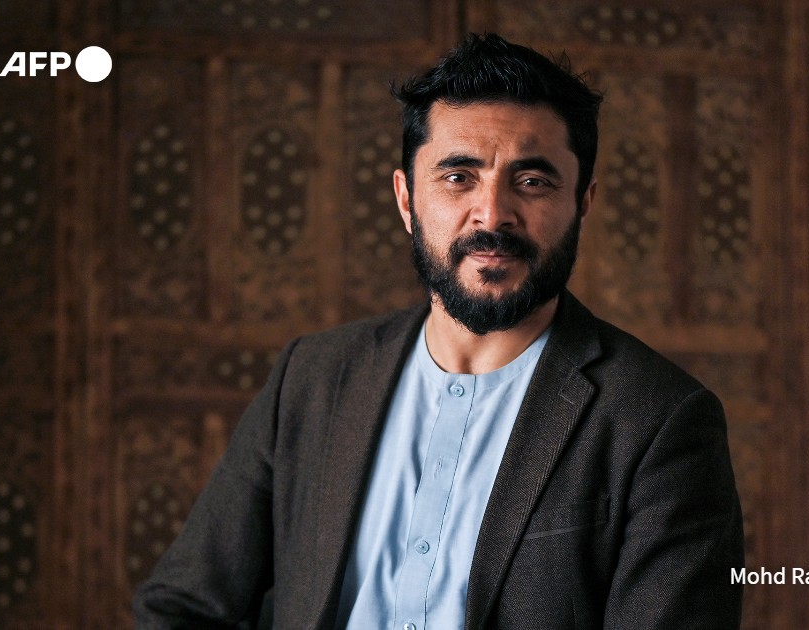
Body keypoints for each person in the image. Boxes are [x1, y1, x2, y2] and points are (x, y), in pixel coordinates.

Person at [133, 32, 743, 629]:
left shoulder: (660, 418)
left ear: (583, 200)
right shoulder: (312, 377)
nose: (492, 215)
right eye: (458, 177)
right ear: (406, 200)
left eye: (532, 181)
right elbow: (183, 608)